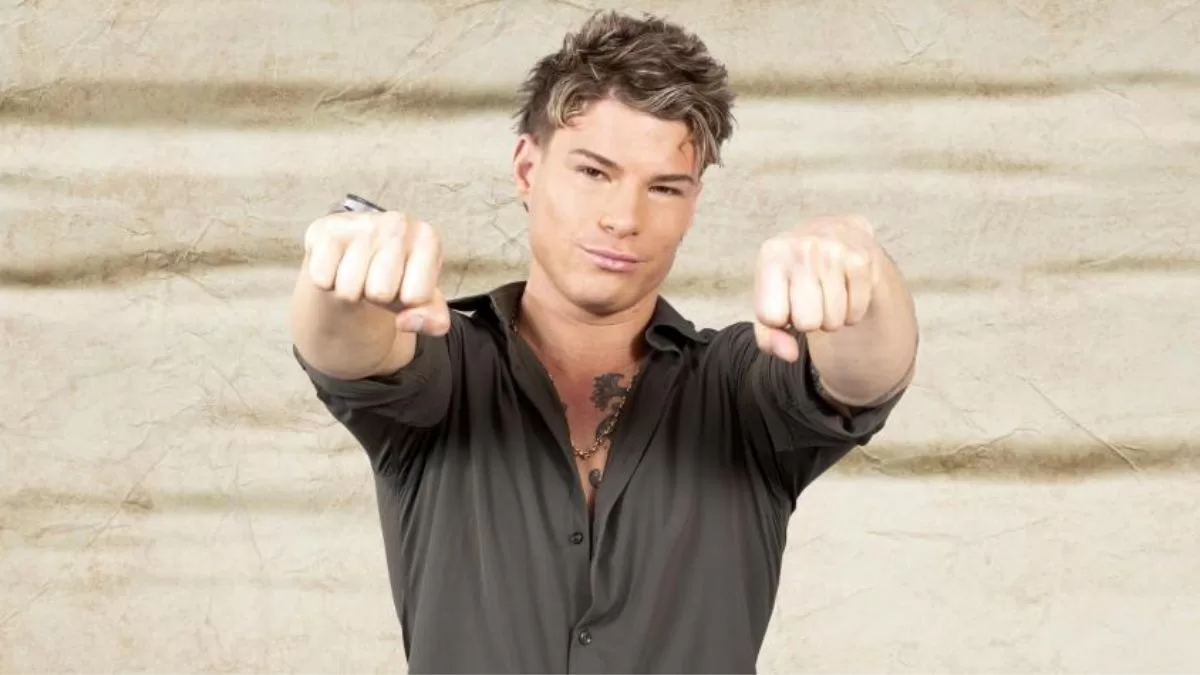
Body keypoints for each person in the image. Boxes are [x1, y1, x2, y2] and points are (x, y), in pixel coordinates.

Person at [290, 10, 919, 674]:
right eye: (594, 172)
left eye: (664, 188)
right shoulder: (449, 368)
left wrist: (863, 273)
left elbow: (864, 376)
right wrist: (344, 269)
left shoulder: (738, 390)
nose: (624, 218)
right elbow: (347, 348)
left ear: (693, 203)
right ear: (527, 169)